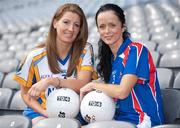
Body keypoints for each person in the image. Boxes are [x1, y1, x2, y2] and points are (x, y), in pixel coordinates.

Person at [80, 3, 164, 128]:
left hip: (142, 121)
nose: (107, 31)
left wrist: (93, 85)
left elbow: (122, 91)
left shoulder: (136, 51)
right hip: (118, 120)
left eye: (112, 25)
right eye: (102, 27)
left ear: (123, 27)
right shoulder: (109, 59)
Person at [13, 3, 97, 126]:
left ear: (80, 29)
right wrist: (45, 112)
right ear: (55, 23)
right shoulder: (34, 56)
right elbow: (25, 94)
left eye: (76, 25)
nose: (71, 29)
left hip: (76, 113)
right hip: (41, 112)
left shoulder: (85, 50)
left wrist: (51, 81)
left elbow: (83, 84)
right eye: (66, 22)